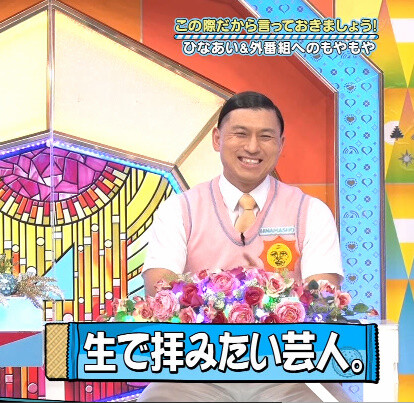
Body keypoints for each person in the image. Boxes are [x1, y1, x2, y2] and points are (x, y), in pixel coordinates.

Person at [138, 92, 348, 402]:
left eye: (265, 136)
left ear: (281, 144)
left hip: (290, 371)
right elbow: (159, 290)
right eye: (240, 134)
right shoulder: (179, 210)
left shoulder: (311, 211)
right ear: (217, 139)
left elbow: (323, 298)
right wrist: (224, 296)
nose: (252, 147)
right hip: (195, 369)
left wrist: (264, 298)